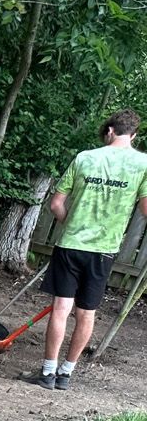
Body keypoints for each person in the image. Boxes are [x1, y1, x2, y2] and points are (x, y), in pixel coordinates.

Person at [35, 108, 147, 391]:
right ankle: (66, 374)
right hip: (104, 250)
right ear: (134, 135)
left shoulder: (85, 158)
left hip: (70, 244)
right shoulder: (143, 164)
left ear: (109, 131)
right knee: (86, 313)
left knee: (61, 308)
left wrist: (68, 222)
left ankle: (47, 373)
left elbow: (56, 205)